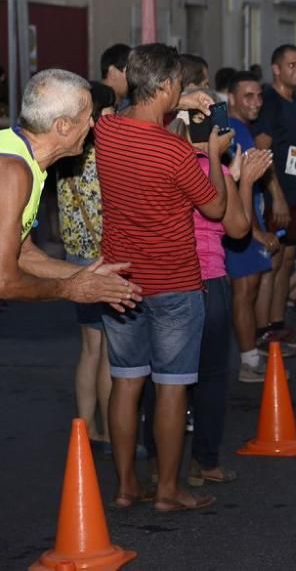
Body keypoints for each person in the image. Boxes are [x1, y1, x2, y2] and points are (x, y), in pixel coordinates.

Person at [96, 43, 225, 513]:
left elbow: (133, 111)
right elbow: (215, 208)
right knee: (172, 385)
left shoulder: (106, 131)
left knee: (126, 382)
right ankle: (168, 490)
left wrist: (179, 100)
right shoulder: (174, 151)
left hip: (120, 278)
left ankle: (127, 486)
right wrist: (210, 150)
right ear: (169, 84)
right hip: (173, 281)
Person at [169, 95, 273, 487]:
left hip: (161, 279)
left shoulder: (162, 164)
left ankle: (151, 471)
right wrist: (243, 180)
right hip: (207, 278)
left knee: (159, 377)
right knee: (210, 376)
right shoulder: (211, 172)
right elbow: (238, 228)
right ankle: (204, 463)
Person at [0, 69, 136, 307]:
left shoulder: (24, 157)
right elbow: (4, 280)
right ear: (63, 126)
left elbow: (24, 254)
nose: (93, 124)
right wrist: (71, 289)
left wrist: (88, 277)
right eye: (87, 117)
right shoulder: (13, 170)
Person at [56, 81, 118, 455]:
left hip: (75, 256)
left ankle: (85, 427)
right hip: (107, 257)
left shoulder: (67, 152)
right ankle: (114, 431)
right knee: (111, 350)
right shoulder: (107, 152)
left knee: (88, 348)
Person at [222, 71, 281, 383]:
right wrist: (256, 232)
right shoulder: (232, 131)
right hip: (241, 229)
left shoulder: (243, 130)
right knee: (244, 290)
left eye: (259, 96)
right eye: (248, 96)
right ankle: (248, 360)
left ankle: (251, 354)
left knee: (251, 286)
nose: (256, 102)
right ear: (231, 98)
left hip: (249, 222)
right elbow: (233, 188)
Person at [253, 44, 296, 351]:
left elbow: (294, 153)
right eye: (291, 65)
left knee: (287, 260)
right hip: (277, 197)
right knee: (271, 262)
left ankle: (277, 323)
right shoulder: (270, 101)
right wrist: (278, 196)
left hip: (295, 191)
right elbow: (263, 151)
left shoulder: (294, 103)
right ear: (276, 68)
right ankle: (262, 331)